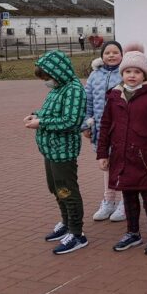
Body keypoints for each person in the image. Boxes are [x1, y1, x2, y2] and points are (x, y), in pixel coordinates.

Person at [97, 48, 147, 255]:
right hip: (121, 156)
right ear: (122, 73)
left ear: (144, 74)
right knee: (128, 195)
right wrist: (102, 153)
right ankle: (133, 232)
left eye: (137, 72)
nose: (132, 75)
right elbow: (105, 124)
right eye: (128, 71)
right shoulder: (114, 95)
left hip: (145, 158)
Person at [27, 50, 88, 255]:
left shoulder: (74, 90)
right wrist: (36, 115)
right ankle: (66, 223)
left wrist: (41, 122)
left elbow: (71, 121)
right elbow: (51, 112)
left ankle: (77, 233)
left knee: (66, 189)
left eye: (48, 77)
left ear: (58, 72)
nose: (47, 82)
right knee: (55, 187)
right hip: (50, 149)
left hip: (63, 150)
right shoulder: (58, 88)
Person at [82, 40, 125, 222]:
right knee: (106, 164)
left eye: (115, 52)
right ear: (102, 56)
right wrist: (85, 124)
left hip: (121, 129)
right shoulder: (94, 75)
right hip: (101, 128)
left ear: (122, 55)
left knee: (123, 165)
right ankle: (109, 201)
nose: (111, 55)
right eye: (107, 53)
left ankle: (125, 202)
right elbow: (88, 101)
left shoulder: (125, 73)